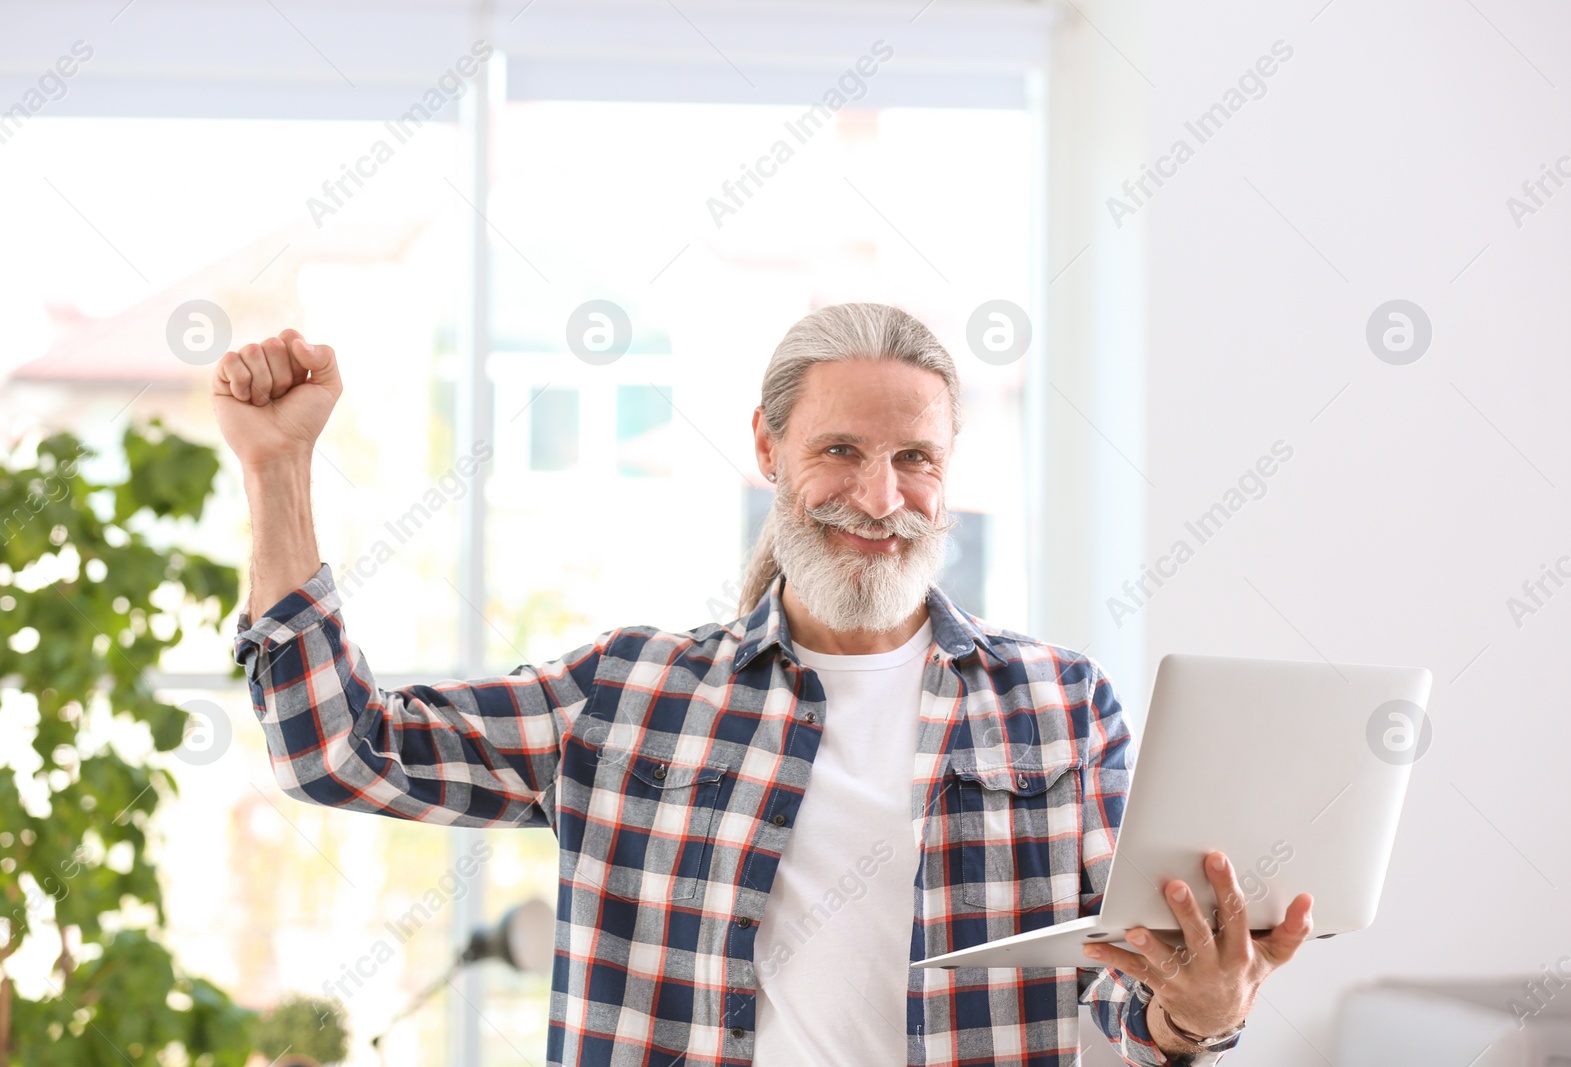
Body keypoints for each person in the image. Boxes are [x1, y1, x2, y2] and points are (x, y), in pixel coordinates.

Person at [217, 303, 1313, 1066]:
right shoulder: (628, 692)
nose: (879, 497)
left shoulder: (1060, 706)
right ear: (768, 447)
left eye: (915, 459)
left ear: (949, 471)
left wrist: (1193, 1014)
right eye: (840, 449)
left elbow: (1120, 992)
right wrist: (278, 472)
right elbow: (337, 749)